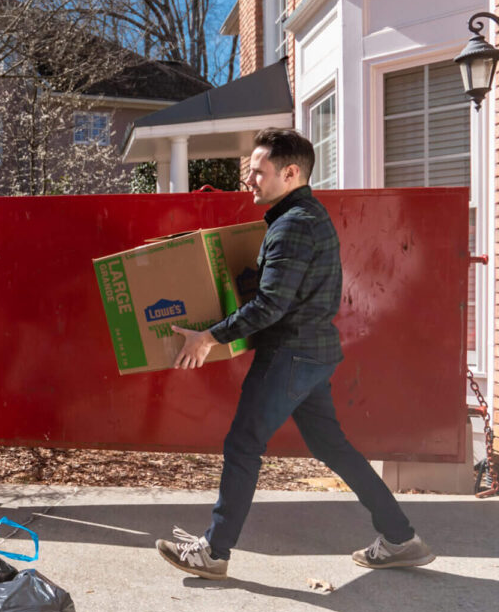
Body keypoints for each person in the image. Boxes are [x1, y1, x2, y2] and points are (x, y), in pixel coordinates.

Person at [155, 128, 434, 581]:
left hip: (289, 355)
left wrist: (208, 337)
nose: (250, 182)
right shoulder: (302, 218)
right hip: (312, 354)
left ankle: (214, 551)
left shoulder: (293, 226)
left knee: (243, 444)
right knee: (333, 447)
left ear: (289, 173)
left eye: (258, 173)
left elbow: (270, 306)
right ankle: (401, 538)